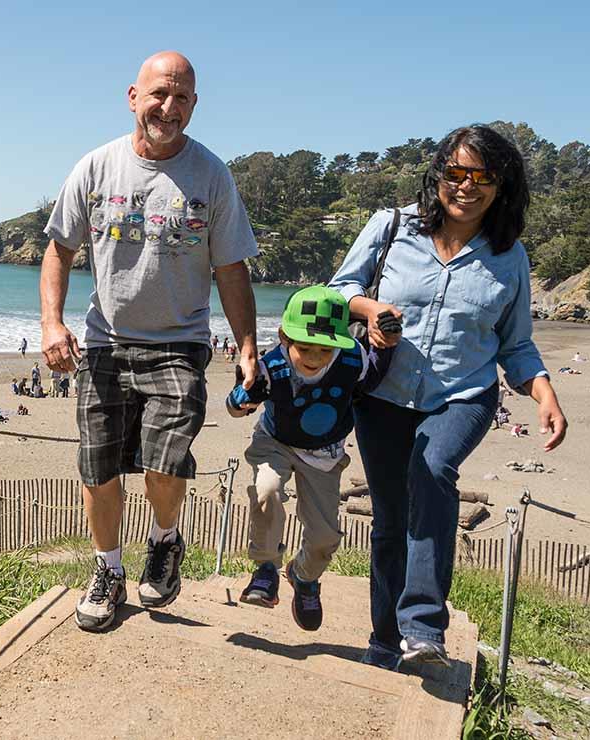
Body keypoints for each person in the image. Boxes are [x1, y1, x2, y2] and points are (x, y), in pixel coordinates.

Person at [330, 124, 567, 670]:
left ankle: (424, 627)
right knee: (391, 520)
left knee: (433, 468)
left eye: (482, 176)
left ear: (501, 185)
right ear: (437, 175)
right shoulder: (391, 228)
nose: (466, 186)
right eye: (455, 172)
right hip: (383, 394)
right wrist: (371, 313)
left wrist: (544, 392)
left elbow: (517, 346)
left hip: (463, 395)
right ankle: (386, 642)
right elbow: (340, 290)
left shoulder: (510, 257)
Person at [40, 51, 261, 632]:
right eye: (159, 94)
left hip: (179, 342)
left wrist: (246, 347)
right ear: (133, 97)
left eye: (182, 97)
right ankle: (108, 570)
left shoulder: (212, 176)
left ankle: (165, 539)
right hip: (105, 343)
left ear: (194, 105)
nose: (169, 107)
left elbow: (232, 268)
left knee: (166, 465)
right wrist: (51, 323)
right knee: (99, 470)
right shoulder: (96, 167)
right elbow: (59, 248)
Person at [225, 286, 396, 631]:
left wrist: (386, 346)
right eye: (305, 348)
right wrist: (245, 397)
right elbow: (234, 406)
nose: (315, 357)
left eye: (325, 349)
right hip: (276, 442)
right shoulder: (271, 367)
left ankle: (304, 577)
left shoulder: (352, 359)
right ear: (285, 337)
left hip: (325, 454)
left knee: (324, 537)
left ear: (342, 343)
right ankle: (265, 568)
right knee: (266, 491)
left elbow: (371, 378)